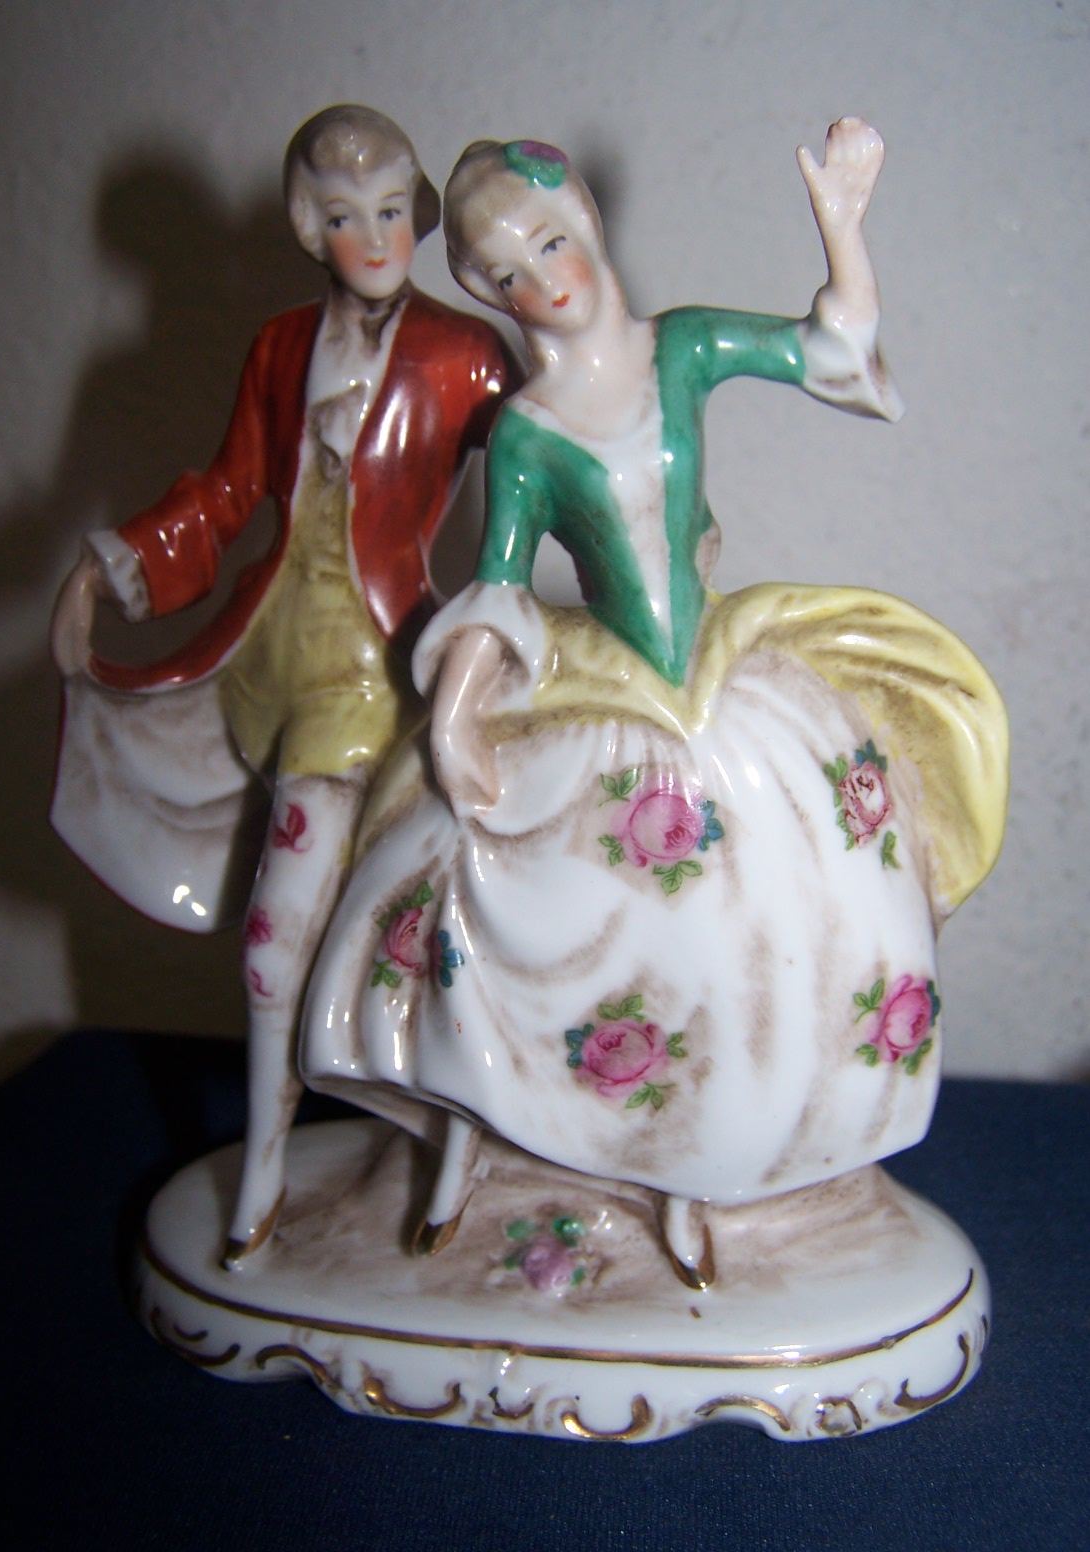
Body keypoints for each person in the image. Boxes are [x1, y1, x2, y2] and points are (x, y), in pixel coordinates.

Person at [296, 123, 1007, 1285]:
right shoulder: (527, 432)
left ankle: (714, 1173)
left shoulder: (683, 347)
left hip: (717, 669)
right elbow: (499, 581)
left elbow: (831, 348)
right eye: (506, 274)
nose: (543, 282)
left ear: (586, 220)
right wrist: (461, 713)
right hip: (611, 685)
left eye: (551, 242)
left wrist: (842, 226)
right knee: (529, 898)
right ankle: (527, 1140)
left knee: (783, 906)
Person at [50, 105, 518, 1265]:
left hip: (374, 674)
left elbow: (540, 465)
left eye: (394, 210)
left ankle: (307, 1153)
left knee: (294, 941)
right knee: (327, 935)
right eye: (349, 216)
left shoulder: (463, 353)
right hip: (266, 657)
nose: (377, 237)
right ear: (311, 228)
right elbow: (227, 492)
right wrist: (116, 564)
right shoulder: (277, 348)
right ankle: (288, 1150)